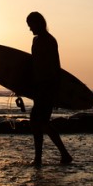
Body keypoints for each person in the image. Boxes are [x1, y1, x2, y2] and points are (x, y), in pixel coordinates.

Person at [26, 11, 73, 166]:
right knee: (38, 122)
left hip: (48, 86)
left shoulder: (49, 41)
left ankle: (56, 155)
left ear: (38, 23)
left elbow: (55, 66)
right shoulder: (36, 40)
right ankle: (47, 156)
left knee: (40, 122)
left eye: (31, 25)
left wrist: (56, 93)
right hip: (39, 87)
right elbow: (34, 66)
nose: (30, 29)